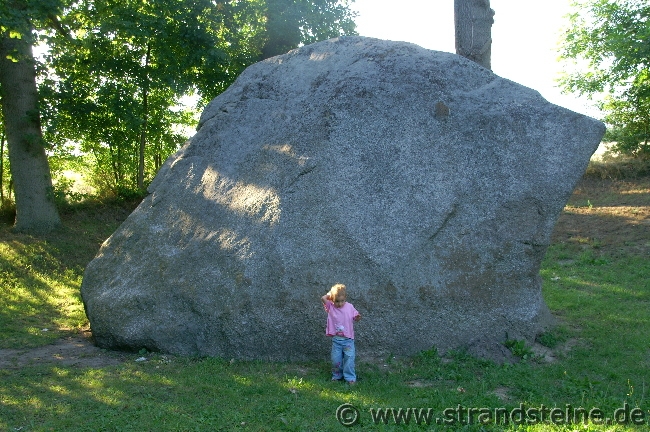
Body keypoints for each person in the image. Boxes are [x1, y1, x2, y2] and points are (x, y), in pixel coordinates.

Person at [321, 283, 361, 384]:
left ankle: (350, 378)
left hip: (348, 341)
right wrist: (330, 294)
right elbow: (323, 298)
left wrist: (357, 317)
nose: (339, 304)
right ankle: (337, 375)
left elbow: (355, 316)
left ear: (345, 298)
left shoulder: (349, 307)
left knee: (349, 359)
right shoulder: (331, 307)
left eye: (342, 301)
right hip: (336, 341)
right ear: (332, 299)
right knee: (336, 360)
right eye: (337, 301)